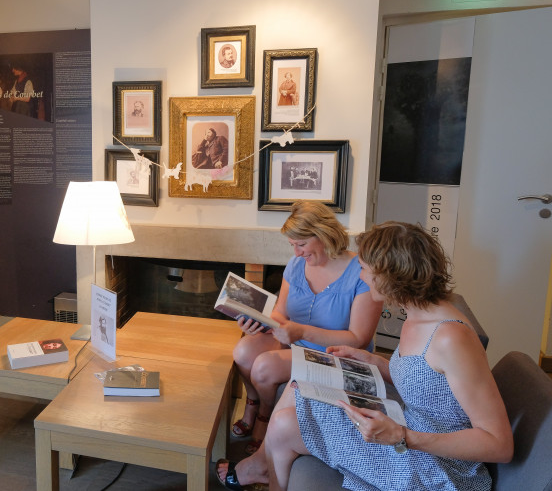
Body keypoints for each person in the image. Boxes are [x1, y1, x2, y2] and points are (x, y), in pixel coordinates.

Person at [220, 222, 513, 491]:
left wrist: (402, 436)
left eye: (364, 268)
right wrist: (375, 363)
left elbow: (499, 444)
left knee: (285, 426)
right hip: (406, 428)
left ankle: (264, 470)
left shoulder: (452, 337)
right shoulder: (417, 315)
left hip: (434, 467)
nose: (360, 276)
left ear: (390, 276)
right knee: (300, 383)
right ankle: (265, 469)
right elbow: (431, 380)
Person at [228, 200, 381, 457]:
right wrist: (259, 321)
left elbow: (358, 338)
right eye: (293, 246)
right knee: (244, 350)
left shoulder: (361, 273)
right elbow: (280, 313)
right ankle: (253, 402)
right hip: (294, 340)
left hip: (335, 353)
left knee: (264, 366)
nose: (297, 253)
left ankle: (264, 415)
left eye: (302, 244)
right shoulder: (297, 265)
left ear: (324, 235)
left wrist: (301, 332)